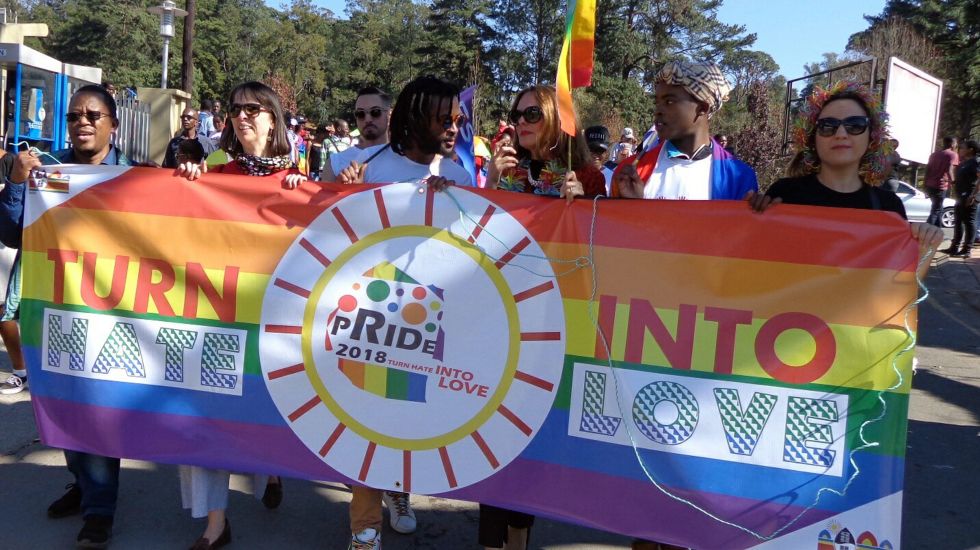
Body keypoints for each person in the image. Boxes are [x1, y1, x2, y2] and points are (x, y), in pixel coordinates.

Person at [337, 75, 472, 550]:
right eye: (444, 118)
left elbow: (472, 250)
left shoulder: (459, 177)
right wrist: (342, 193)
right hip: (371, 318)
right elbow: (329, 230)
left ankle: (398, 491)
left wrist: (456, 202)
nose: (454, 127)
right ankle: (364, 528)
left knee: (406, 418)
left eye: (457, 118)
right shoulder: (368, 167)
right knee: (367, 420)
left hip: (426, 322)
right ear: (416, 117)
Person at [0, 84, 133, 548]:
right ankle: (83, 483)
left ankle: (100, 511)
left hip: (113, 314)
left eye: (93, 115)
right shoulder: (45, 170)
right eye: (75, 115)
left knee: (98, 408)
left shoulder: (136, 177)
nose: (82, 122)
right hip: (53, 309)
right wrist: (18, 184)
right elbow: (11, 234)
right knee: (64, 407)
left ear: (113, 124)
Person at [175, 81, 304, 549]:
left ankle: (271, 470)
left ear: (273, 119)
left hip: (273, 324)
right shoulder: (215, 174)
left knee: (265, 411)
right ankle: (216, 524)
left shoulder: (297, 181)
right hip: (218, 318)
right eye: (235, 109)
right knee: (206, 416)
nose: (242, 116)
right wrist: (190, 180)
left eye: (253, 109)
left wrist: (307, 196)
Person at [746, 81, 942, 274]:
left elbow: (900, 285)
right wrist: (751, 215)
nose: (840, 134)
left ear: (871, 137)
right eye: (827, 126)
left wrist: (926, 247)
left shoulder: (889, 207)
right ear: (813, 139)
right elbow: (755, 266)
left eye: (855, 125)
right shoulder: (784, 194)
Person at [613, 61, 757, 202]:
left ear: (702, 108)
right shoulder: (630, 174)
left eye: (669, 102)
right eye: (657, 102)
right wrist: (631, 205)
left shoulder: (739, 178)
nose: (658, 111)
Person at [484, 85, 604, 203]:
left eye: (532, 114)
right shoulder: (507, 172)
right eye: (516, 116)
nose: (521, 121)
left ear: (557, 119)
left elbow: (599, 216)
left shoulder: (588, 178)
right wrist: (491, 182)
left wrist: (581, 203)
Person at [322, 86, 392, 182]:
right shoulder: (335, 163)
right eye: (360, 114)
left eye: (375, 112)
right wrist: (344, 188)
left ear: (389, 114)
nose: (367, 119)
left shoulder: (407, 157)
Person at [939, 139, 979, 258]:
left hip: (969, 196)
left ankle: (966, 250)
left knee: (969, 222)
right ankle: (954, 247)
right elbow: (963, 179)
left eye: (963, 148)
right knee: (958, 221)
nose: (960, 150)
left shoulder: (976, 162)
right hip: (960, 196)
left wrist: (973, 195)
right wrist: (952, 180)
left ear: (970, 149)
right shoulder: (965, 162)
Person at [923, 137, 959, 226]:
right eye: (955, 143)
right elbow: (950, 169)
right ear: (952, 144)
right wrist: (954, 181)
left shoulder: (934, 154)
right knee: (936, 210)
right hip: (940, 186)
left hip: (930, 185)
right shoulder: (952, 155)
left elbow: (927, 170)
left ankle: (938, 229)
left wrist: (925, 184)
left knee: (938, 208)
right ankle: (927, 229)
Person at [585, 125, 616, 194]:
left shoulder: (614, 178)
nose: (595, 154)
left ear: (606, 152)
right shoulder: (576, 176)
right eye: (591, 149)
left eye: (600, 150)